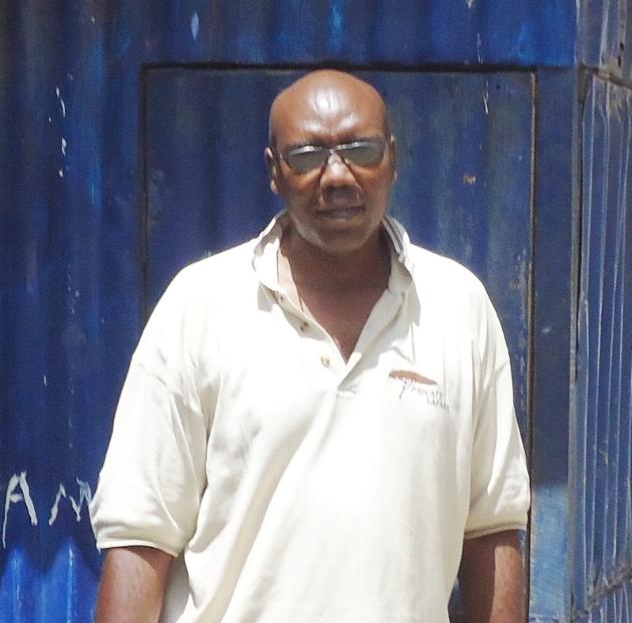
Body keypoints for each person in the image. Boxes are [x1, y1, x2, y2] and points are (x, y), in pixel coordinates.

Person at [90, 69, 530, 623]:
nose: (337, 175)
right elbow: (140, 536)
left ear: (393, 159)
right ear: (274, 172)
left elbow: (492, 527)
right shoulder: (200, 307)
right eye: (306, 156)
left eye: (361, 150)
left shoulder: (457, 307)